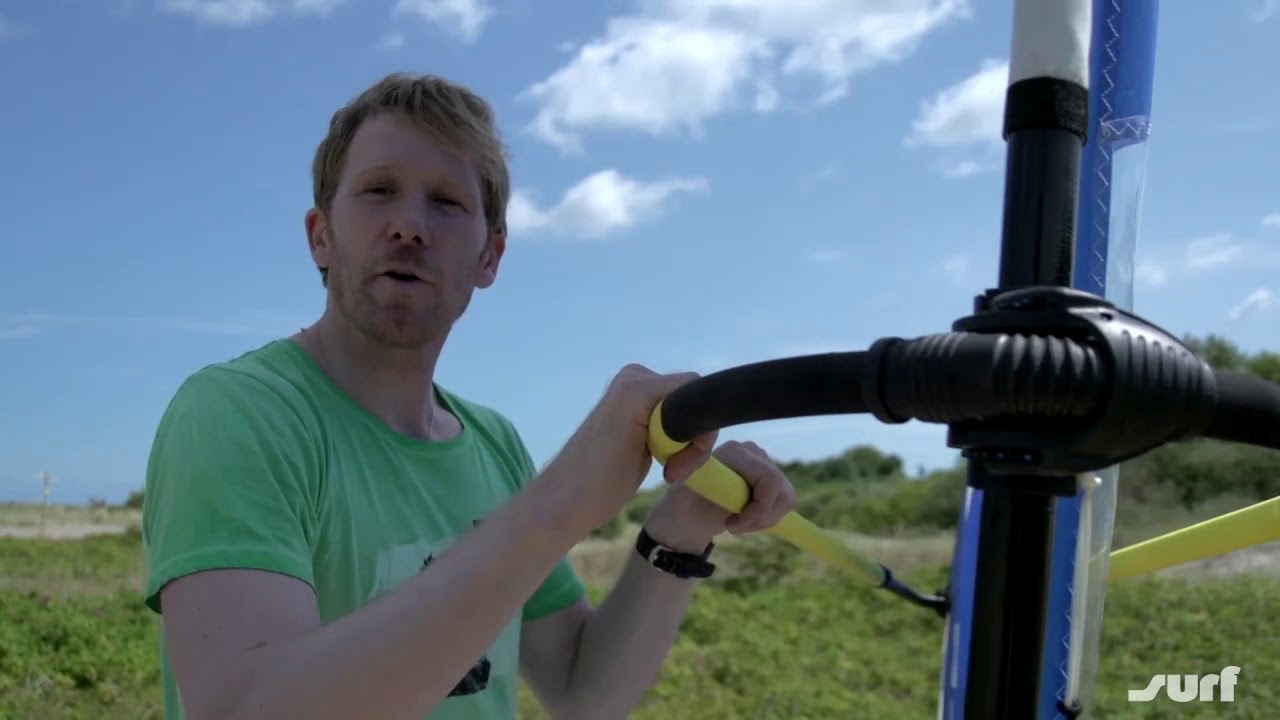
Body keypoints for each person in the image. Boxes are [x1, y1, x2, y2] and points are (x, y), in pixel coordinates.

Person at [140, 71, 799, 720]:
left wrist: (679, 530)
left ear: (491, 257)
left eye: (447, 202)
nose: (409, 226)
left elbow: (583, 691)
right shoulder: (237, 415)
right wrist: (558, 505)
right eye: (378, 191)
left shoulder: (493, 444)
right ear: (321, 235)